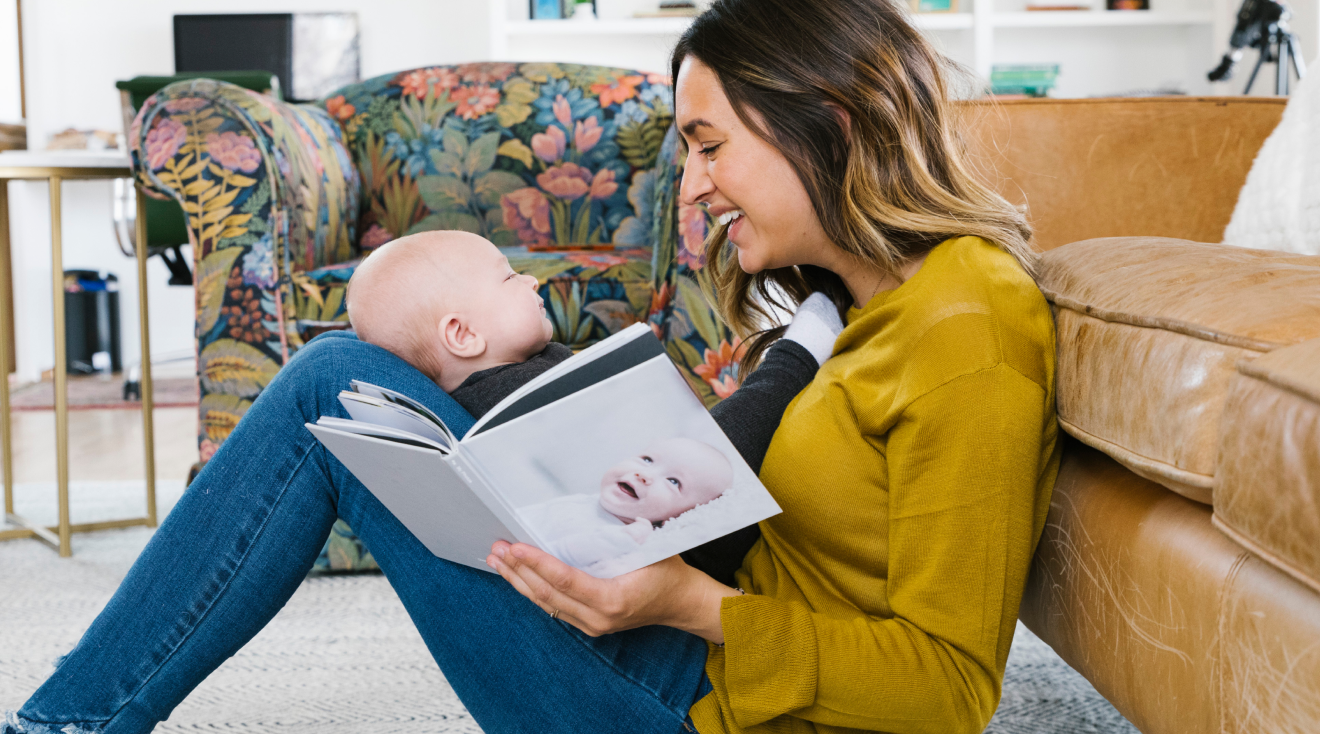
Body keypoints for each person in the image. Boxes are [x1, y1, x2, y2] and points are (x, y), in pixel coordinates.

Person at [4, 2, 1059, 734]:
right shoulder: (861, 305)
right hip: (690, 647)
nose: (689, 187)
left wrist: (685, 604)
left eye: (708, 144)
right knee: (353, 379)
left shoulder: (964, 332)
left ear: (825, 122)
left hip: (703, 699)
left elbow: (950, 693)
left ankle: (68, 719)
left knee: (332, 378)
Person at [521, 437, 734, 571]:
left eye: (673, 481)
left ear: (681, 516)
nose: (644, 474)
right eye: (648, 460)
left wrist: (619, 541)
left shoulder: (627, 539)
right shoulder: (584, 501)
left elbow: (564, 562)